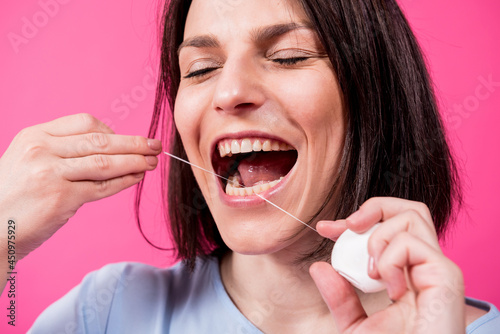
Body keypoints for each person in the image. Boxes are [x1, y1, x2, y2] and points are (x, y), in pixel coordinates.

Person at [0, 0, 497, 332]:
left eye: (288, 57)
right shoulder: (108, 314)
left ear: (375, 95)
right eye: (200, 69)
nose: (230, 91)